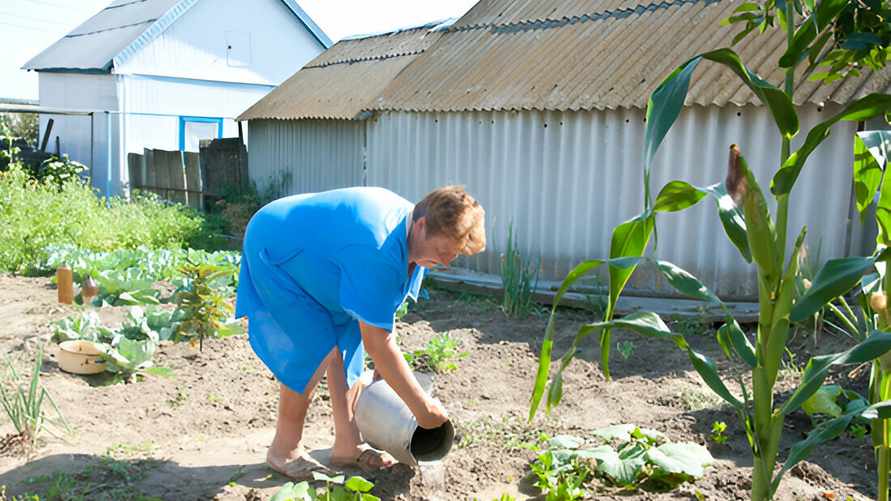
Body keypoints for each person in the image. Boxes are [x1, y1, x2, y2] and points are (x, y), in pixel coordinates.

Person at [235, 185, 486, 478]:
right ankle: (284, 449)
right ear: (421, 226)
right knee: (314, 346)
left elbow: (380, 311)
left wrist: (387, 363)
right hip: (276, 245)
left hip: (322, 255)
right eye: (442, 251)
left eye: (453, 256)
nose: (444, 262)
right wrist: (423, 410)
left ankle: (348, 445)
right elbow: (379, 344)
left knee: (349, 338)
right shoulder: (377, 244)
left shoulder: (416, 238)